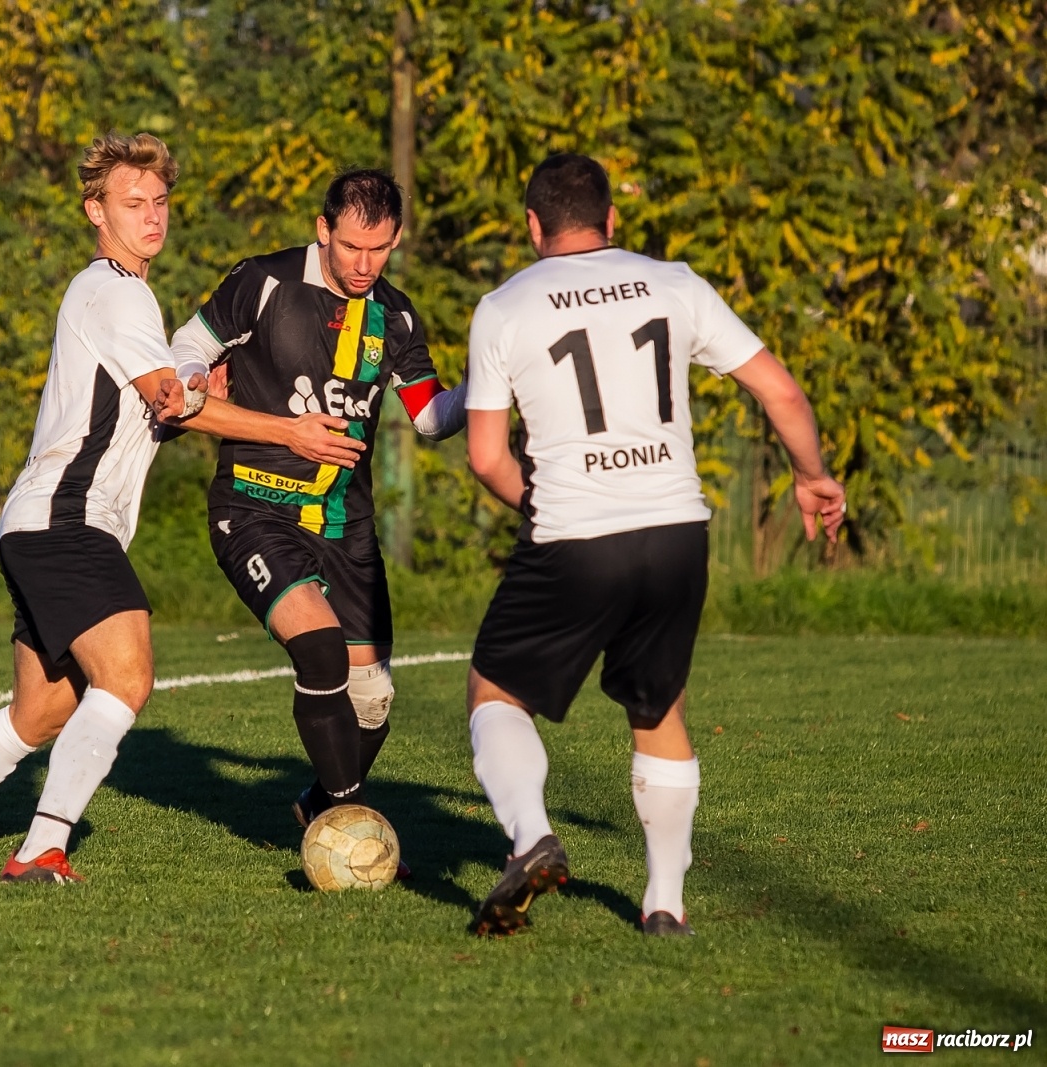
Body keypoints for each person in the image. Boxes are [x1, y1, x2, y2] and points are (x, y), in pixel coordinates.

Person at [0, 133, 363, 883]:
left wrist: (192, 398)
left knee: (38, 713)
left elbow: (156, 407)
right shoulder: (115, 289)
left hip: (37, 521)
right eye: (133, 203)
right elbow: (172, 398)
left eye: (160, 201)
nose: (152, 216)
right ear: (95, 210)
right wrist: (284, 428)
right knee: (126, 675)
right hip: (67, 520)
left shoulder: (117, 294)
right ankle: (40, 850)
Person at [461, 152, 846, 935]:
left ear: (533, 225)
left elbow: (487, 458)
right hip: (677, 529)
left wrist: (553, 502)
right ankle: (665, 902)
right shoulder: (675, 281)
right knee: (657, 702)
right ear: (612, 220)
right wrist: (813, 476)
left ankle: (532, 836)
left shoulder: (503, 306)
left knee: (496, 690)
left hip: (574, 532)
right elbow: (781, 390)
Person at [166, 169, 467, 850]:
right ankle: (352, 829)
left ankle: (317, 804)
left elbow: (428, 417)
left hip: (345, 525)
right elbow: (190, 343)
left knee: (372, 703)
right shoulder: (264, 281)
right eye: (353, 247)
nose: (365, 265)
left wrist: (492, 385)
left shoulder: (396, 314)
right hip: (253, 508)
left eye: (381, 249)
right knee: (321, 650)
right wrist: (192, 377)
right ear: (323, 230)